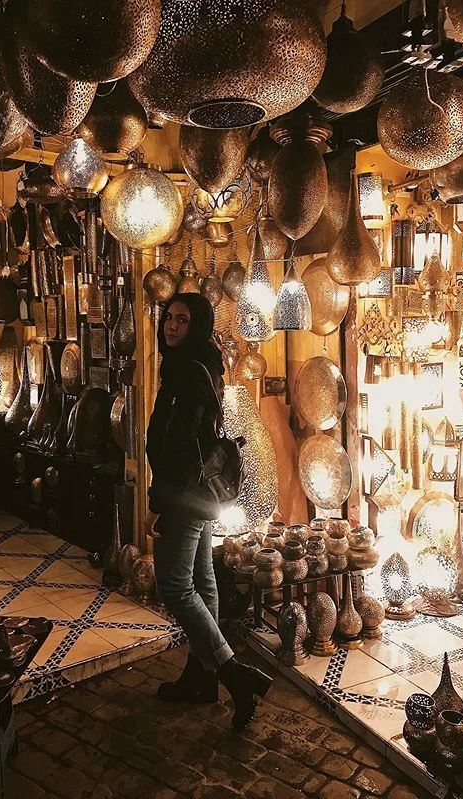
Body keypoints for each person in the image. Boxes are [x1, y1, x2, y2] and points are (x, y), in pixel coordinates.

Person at [144, 292, 272, 730]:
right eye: (169, 318)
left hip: (183, 495)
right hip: (201, 494)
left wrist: (157, 504)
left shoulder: (187, 372)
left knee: (175, 586)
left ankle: (234, 674)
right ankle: (202, 677)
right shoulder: (202, 363)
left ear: (197, 325)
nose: (171, 326)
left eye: (182, 320)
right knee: (202, 581)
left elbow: (179, 447)